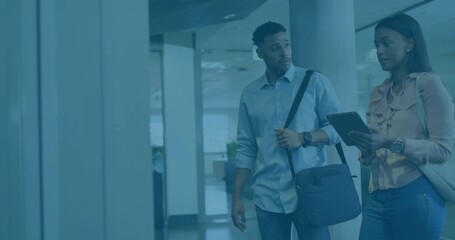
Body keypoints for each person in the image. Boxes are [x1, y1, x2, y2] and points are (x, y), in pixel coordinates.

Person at [230, 21, 342, 240]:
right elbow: (246, 147)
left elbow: (339, 129)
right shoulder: (250, 94)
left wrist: (304, 137)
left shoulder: (314, 82)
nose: (284, 52)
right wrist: (236, 197)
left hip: (310, 193)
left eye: (286, 45)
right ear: (260, 52)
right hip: (267, 195)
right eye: (275, 47)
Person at [349, 14, 453, 240]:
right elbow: (371, 152)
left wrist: (389, 142)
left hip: (417, 191)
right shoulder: (379, 92)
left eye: (386, 43)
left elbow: (444, 149)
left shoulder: (428, 83)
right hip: (377, 195)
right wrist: (367, 147)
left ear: (409, 44)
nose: (379, 51)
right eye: (377, 45)